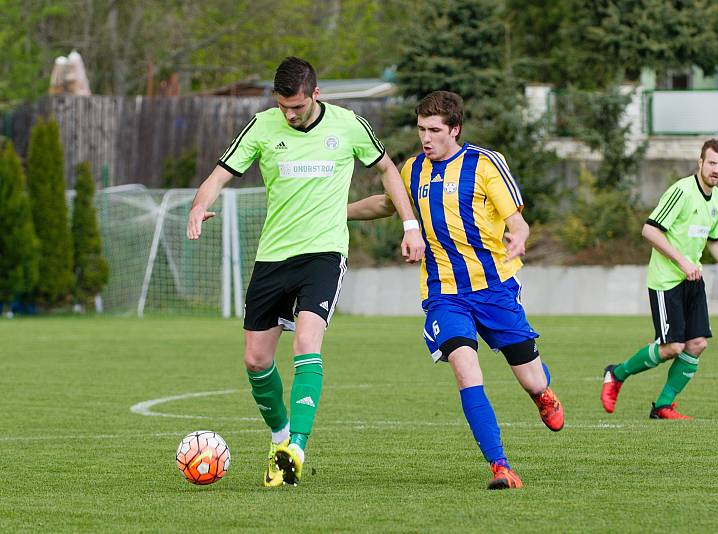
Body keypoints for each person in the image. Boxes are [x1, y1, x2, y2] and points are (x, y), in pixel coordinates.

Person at [186, 57, 425, 487]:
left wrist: (410, 225)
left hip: (324, 253)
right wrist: (201, 204)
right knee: (256, 359)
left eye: (296, 106)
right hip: (274, 255)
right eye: (283, 107)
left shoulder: (350, 125)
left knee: (306, 340)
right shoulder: (262, 126)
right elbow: (219, 175)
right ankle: (279, 438)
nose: (289, 115)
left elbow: (387, 169)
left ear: (317, 95)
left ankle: (296, 445)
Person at [348, 90, 564, 490]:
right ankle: (500, 466)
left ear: (455, 129)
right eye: (420, 130)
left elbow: (516, 220)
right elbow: (385, 204)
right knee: (467, 370)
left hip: (495, 290)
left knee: (532, 379)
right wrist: (335, 212)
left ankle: (542, 393)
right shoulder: (412, 169)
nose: (425, 138)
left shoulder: (485, 164)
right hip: (444, 294)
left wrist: (518, 237)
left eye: (433, 130)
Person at [601, 139, 718, 419]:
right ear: (700, 162)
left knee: (697, 344)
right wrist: (682, 261)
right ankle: (616, 374)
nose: (716, 170)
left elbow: (713, 240)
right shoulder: (681, 191)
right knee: (672, 347)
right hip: (666, 281)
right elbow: (649, 230)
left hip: (693, 280)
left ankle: (663, 406)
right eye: (712, 163)